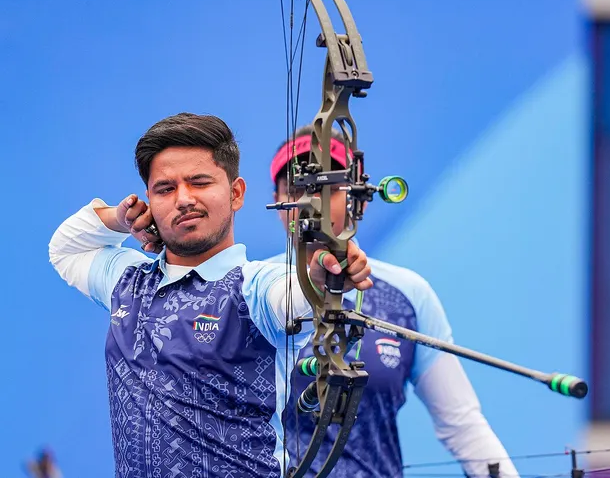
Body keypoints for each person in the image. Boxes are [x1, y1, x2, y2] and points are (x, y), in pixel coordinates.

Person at [47, 113, 373, 478]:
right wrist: (119, 219)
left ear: (236, 193)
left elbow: (293, 298)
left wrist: (322, 278)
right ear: (149, 202)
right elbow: (64, 249)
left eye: (199, 182)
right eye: (165, 189)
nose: (184, 199)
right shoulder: (128, 281)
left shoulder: (255, 285)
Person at [267, 126, 518, 478]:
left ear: (360, 198)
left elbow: (462, 424)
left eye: (329, 188)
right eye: (297, 188)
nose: (313, 201)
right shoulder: (252, 290)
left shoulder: (408, 294)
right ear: (279, 203)